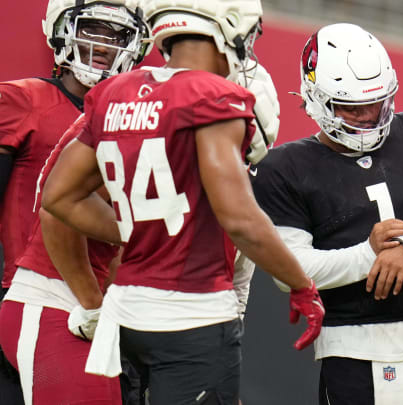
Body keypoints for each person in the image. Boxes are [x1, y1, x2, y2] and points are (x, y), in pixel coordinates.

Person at [40, 0, 325, 403]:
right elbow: (239, 218)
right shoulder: (214, 94)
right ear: (231, 25)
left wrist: (137, 227)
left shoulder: (116, 91)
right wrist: (300, 284)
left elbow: (59, 196)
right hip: (192, 317)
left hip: (128, 314)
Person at [250, 23, 403, 405]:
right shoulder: (283, 168)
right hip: (351, 350)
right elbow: (290, 270)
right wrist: (368, 255)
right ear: (318, 100)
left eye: (378, 102)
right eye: (353, 107)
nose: (370, 116)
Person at [0, 1, 149, 403]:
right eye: (92, 29)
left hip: (103, 309)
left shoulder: (135, 118)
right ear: (60, 29)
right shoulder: (22, 100)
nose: (102, 45)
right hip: (32, 294)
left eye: (115, 35)